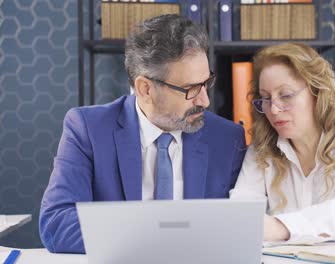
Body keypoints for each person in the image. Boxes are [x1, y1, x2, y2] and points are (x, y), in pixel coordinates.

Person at [39, 14, 246, 253]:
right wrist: (162, 237)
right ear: (145, 89)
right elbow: (56, 224)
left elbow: (240, 227)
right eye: (190, 89)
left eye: (206, 83)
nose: (205, 100)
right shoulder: (88, 129)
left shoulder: (227, 138)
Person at [230, 43, 335, 244]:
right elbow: (240, 215)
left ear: (317, 92)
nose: (273, 110)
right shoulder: (262, 149)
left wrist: (281, 228)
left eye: (285, 95)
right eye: (266, 98)